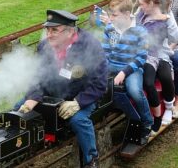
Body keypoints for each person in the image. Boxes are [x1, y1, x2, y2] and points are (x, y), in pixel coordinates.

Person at [15, 9, 108, 168]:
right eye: (47, 29)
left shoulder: (90, 46)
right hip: (51, 94)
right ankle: (19, 152)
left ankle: (91, 160)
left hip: (82, 96)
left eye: (54, 30)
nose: (48, 34)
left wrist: (78, 102)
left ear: (70, 31)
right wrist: (32, 99)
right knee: (18, 110)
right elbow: (37, 76)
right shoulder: (44, 46)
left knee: (79, 120)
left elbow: (99, 84)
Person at [98, 0, 153, 144]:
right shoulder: (110, 29)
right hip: (112, 64)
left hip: (132, 68)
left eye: (114, 15)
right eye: (111, 14)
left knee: (134, 90)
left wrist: (124, 72)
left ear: (127, 14)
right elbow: (105, 53)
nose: (111, 18)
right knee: (93, 80)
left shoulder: (140, 31)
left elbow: (141, 57)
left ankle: (147, 122)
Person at [136, 0, 178, 134]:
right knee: (147, 81)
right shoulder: (142, 14)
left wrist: (167, 17)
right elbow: (136, 17)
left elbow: (175, 36)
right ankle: (152, 113)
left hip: (161, 54)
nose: (141, 8)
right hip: (146, 54)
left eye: (143, 5)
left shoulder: (165, 16)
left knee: (166, 76)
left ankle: (168, 107)